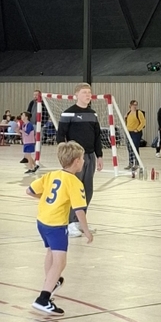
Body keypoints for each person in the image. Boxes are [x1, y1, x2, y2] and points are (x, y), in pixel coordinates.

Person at [26, 141, 93, 315]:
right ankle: (43, 299)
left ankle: (51, 282)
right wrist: (86, 231)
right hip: (56, 225)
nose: (84, 161)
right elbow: (79, 210)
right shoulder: (74, 182)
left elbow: (30, 191)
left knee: (50, 252)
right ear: (76, 161)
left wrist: (46, 199)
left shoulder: (51, 175)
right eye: (82, 159)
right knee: (60, 262)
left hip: (42, 221)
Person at [58, 85, 104, 237]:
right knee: (74, 190)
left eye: (89, 92)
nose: (88, 95)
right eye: (84, 92)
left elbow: (97, 136)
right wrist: (65, 156)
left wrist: (99, 156)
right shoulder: (68, 113)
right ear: (76, 95)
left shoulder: (92, 114)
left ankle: (80, 221)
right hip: (75, 158)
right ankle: (70, 222)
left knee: (87, 190)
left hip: (89, 156)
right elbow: (60, 136)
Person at [124, 99, 146, 170]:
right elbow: (127, 123)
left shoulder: (139, 113)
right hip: (129, 132)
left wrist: (138, 129)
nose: (135, 106)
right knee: (129, 148)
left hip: (136, 133)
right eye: (134, 105)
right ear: (130, 105)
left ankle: (136, 163)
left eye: (136, 105)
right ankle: (130, 163)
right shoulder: (128, 113)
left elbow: (143, 122)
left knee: (135, 148)